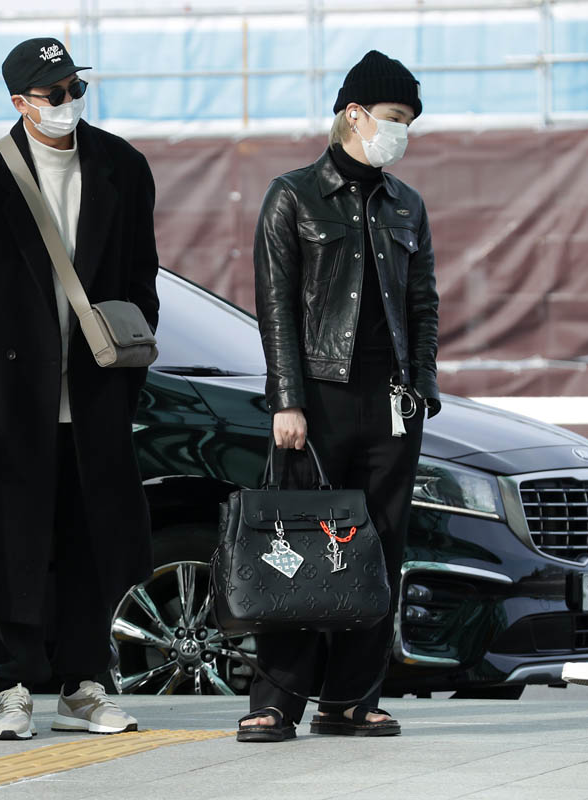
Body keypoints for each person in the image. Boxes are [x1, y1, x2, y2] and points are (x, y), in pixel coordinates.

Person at [0, 38, 160, 741]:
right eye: (53, 93)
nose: (68, 102)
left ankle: (86, 684)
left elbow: (143, 277)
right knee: (14, 543)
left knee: (92, 540)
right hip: (16, 398)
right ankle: (15, 685)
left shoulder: (123, 167)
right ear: (19, 102)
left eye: (74, 88)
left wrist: (127, 367)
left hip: (96, 393)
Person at [241, 50, 440, 743]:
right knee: (297, 542)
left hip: (392, 404)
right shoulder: (292, 195)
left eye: (409, 121)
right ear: (354, 114)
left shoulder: (407, 204)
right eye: (394, 117)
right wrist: (286, 400)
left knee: (378, 548)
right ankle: (276, 699)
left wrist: (423, 390)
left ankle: (351, 698)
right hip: (318, 401)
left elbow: (424, 304)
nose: (402, 132)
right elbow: (275, 307)